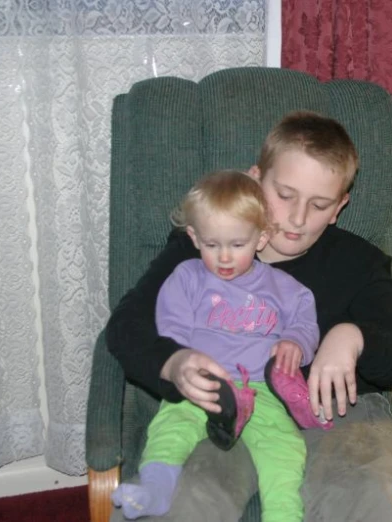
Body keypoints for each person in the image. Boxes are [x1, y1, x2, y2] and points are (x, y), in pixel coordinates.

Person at [107, 111, 392, 521]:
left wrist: (353, 336)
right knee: (185, 501)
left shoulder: (359, 263)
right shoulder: (207, 246)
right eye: (284, 194)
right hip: (223, 410)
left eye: (319, 204)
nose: (297, 219)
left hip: (339, 417)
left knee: (375, 498)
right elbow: (125, 326)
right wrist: (172, 362)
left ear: (339, 207)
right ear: (255, 179)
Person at [111, 170, 327, 521]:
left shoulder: (284, 288)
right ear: (195, 237)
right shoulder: (187, 277)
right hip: (206, 384)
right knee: (171, 427)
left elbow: (306, 323)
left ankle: (284, 514)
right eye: (212, 245)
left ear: (261, 238)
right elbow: (172, 329)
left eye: (237, 245)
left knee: (285, 450)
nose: (224, 257)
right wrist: (184, 362)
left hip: (263, 392)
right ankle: (156, 490)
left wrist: (295, 342)